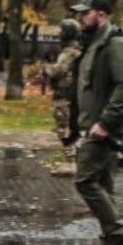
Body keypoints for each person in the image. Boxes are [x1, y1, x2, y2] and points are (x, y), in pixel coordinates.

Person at [66, 0, 123, 245]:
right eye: (79, 13)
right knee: (104, 186)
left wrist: (105, 123)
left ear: (102, 15)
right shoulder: (94, 42)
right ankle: (111, 243)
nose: (80, 18)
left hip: (105, 129)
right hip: (95, 125)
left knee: (85, 181)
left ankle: (119, 236)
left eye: (85, 13)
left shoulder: (115, 44)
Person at [45, 18, 84, 165]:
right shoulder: (77, 50)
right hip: (69, 94)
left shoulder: (69, 52)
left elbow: (58, 70)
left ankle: (70, 162)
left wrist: (47, 68)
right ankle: (71, 160)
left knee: (64, 128)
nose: (59, 33)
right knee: (67, 127)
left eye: (61, 30)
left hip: (65, 95)